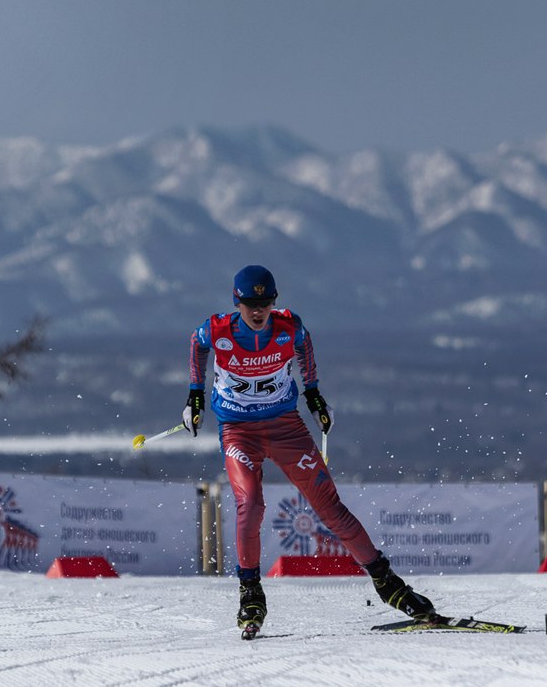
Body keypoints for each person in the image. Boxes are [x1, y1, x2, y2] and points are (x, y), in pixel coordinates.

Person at [185, 264, 436, 638]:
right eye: (251, 303)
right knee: (250, 504)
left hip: (286, 428)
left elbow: (304, 345)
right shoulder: (218, 328)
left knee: (329, 507)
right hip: (238, 431)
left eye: (265, 302)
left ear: (274, 301)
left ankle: (388, 584)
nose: (258, 311)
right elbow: (197, 344)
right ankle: (251, 591)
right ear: (237, 301)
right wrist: (195, 394)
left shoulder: (288, 326)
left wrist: (314, 392)